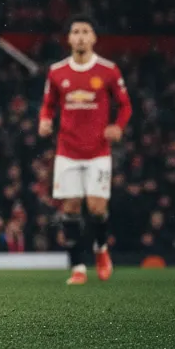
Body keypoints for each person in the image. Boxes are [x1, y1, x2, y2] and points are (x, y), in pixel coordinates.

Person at [38, 16, 132, 284]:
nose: (80, 36)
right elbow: (48, 104)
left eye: (85, 31)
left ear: (93, 38)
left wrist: (118, 126)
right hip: (67, 149)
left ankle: (101, 250)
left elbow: (125, 105)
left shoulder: (108, 70)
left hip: (98, 151)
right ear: (69, 39)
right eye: (75, 32)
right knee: (70, 208)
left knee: (96, 208)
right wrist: (44, 120)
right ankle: (78, 267)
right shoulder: (57, 71)